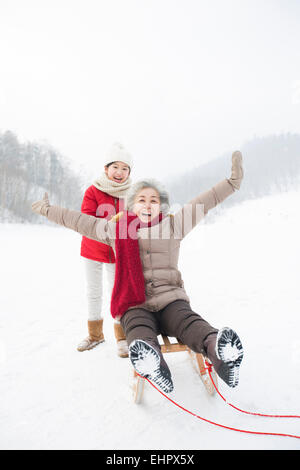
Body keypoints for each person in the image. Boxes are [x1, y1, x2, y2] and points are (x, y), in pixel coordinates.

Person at [32, 151, 244, 393]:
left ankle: (219, 348)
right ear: (132, 205)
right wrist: (48, 210)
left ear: (161, 205)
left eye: (153, 200)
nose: (147, 204)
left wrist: (231, 183)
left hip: (170, 299)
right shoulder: (117, 230)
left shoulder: (173, 224)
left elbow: (205, 201)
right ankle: (151, 361)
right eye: (141, 199)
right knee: (137, 328)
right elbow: (81, 221)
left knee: (187, 321)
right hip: (134, 302)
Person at [79, 142, 133, 357]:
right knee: (93, 292)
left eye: (125, 168)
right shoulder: (93, 190)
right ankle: (95, 335)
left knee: (117, 292)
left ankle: (121, 337)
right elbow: (85, 219)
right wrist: (110, 222)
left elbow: (136, 219)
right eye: (115, 167)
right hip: (92, 248)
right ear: (106, 168)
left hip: (117, 252)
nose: (119, 172)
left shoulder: (132, 193)